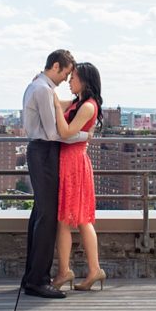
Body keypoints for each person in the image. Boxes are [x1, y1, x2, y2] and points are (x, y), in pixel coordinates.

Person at [21, 51, 89, 299]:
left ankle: (31, 277)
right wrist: (84, 136)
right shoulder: (43, 90)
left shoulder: (38, 86)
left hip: (40, 152)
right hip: (44, 152)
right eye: (66, 73)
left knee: (40, 214)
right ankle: (38, 281)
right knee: (48, 216)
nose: (66, 79)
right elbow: (53, 132)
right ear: (57, 66)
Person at [52, 62, 106, 292]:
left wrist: (55, 107)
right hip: (72, 162)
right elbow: (57, 102)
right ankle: (93, 270)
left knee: (66, 220)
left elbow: (65, 132)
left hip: (73, 164)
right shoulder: (79, 102)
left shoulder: (87, 107)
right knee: (81, 220)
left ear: (84, 80)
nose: (69, 81)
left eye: (73, 77)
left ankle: (66, 272)